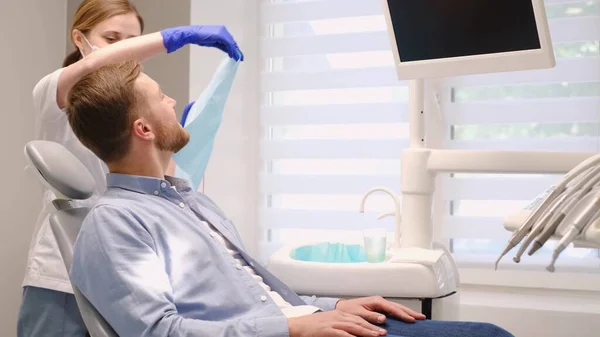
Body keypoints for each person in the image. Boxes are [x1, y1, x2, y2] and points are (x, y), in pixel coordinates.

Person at [64, 60, 514, 337]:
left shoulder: (187, 201)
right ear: (143, 130)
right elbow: (160, 332)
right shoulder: (114, 224)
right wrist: (294, 327)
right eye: (161, 99)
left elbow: (251, 294)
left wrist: (326, 308)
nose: (174, 100)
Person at [19, 0, 242, 335]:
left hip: (124, 269)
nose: (125, 50)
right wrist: (173, 38)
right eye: (113, 39)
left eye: (132, 40)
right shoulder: (56, 92)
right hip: (63, 272)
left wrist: (187, 141)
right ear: (79, 39)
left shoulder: (135, 106)